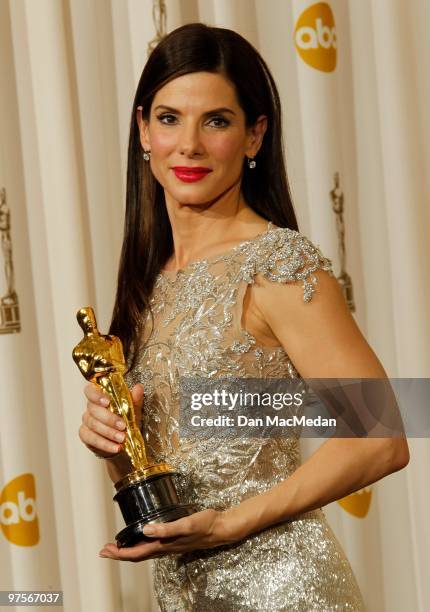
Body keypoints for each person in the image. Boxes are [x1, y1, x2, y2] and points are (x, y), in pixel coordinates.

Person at [78, 23, 409, 611]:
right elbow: (186, 463)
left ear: (255, 136)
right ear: (142, 131)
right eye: (170, 118)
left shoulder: (275, 264)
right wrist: (114, 444)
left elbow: (380, 437)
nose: (190, 146)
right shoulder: (148, 281)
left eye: (218, 121)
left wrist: (231, 524)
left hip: (283, 592)